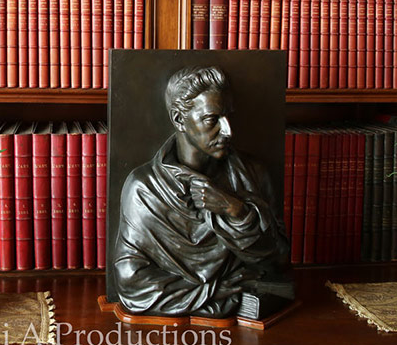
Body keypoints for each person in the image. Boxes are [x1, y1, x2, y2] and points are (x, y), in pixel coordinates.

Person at [112, 66, 293, 319]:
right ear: (178, 119)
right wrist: (212, 291)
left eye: (229, 117)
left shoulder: (252, 174)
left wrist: (236, 211)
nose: (228, 130)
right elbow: (131, 280)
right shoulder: (144, 188)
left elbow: (279, 260)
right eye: (212, 119)